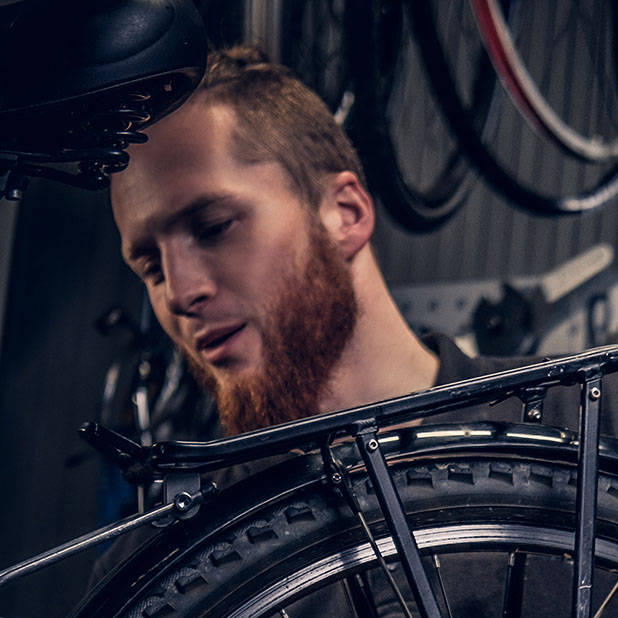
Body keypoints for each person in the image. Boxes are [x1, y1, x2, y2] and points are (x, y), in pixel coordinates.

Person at [100, 45, 618, 614]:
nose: (178, 292)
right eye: (150, 265)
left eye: (214, 226)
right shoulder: (161, 558)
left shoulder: (596, 419)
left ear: (344, 213)